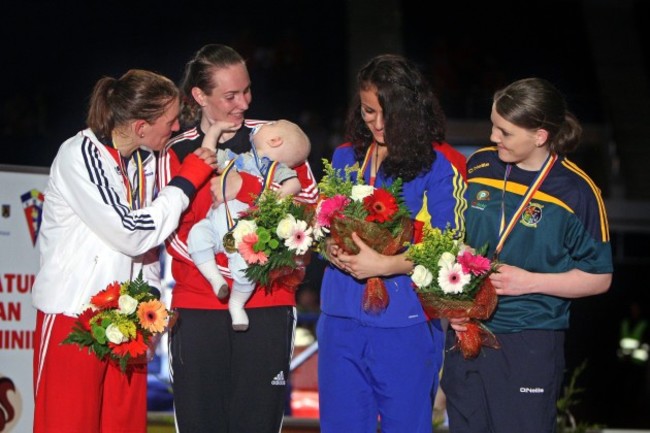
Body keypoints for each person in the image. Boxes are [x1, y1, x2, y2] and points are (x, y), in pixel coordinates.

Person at [31, 69, 217, 433]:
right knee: (68, 426)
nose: (177, 127)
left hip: (127, 319)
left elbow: (147, 251)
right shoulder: (79, 155)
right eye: (170, 120)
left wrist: (149, 310)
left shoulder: (144, 162)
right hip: (75, 314)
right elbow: (130, 233)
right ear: (140, 127)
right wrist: (184, 184)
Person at [156, 44, 318, 433]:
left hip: (267, 302)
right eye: (230, 96)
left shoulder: (277, 138)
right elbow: (170, 232)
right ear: (199, 95)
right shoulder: (176, 150)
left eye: (246, 91)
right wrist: (230, 269)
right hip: (199, 306)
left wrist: (241, 185)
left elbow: (309, 211)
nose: (243, 102)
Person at [443, 77, 613, 433]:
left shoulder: (577, 192)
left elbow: (599, 277)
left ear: (540, 135)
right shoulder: (480, 165)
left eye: (505, 132)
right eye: (493, 126)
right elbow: (457, 240)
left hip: (528, 339)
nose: (493, 138)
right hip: (466, 331)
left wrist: (529, 282)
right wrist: (454, 298)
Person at [317, 53, 468, 433]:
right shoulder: (343, 157)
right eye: (369, 112)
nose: (378, 124)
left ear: (410, 110)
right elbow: (322, 225)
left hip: (405, 322)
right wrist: (329, 249)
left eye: (389, 114)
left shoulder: (437, 167)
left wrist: (386, 266)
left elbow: (449, 248)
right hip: (339, 319)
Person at [187, 119, 311, 331]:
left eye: (271, 125)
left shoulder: (276, 169)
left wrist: (267, 201)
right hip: (216, 225)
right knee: (196, 236)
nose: (262, 124)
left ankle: (237, 305)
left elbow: (294, 185)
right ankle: (216, 280)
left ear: (274, 140)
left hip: (245, 237)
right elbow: (206, 155)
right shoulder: (239, 159)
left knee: (246, 270)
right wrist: (215, 131)